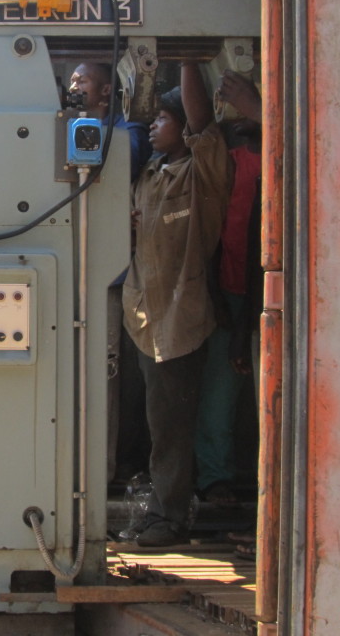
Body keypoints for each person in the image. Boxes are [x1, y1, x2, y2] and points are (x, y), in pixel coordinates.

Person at [122, 63, 229, 547]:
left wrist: (189, 54)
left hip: (179, 321)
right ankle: (160, 510)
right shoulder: (149, 173)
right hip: (144, 319)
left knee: (172, 427)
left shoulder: (201, 172)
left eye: (163, 119)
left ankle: (170, 519)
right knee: (154, 424)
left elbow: (203, 125)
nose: (152, 126)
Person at [68, 62, 154, 488]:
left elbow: (123, 159)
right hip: (70, 274)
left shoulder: (129, 134)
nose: (73, 86)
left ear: (105, 92)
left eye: (82, 81)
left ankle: (96, 481)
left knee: (104, 377)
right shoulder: (65, 128)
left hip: (111, 279)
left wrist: (87, 127)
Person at [195, 71, 263, 507]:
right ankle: (215, 480)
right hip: (229, 287)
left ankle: (269, 488)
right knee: (217, 398)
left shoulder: (282, 150)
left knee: (270, 396)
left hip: (270, 294)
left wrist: (255, 106)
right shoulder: (230, 151)